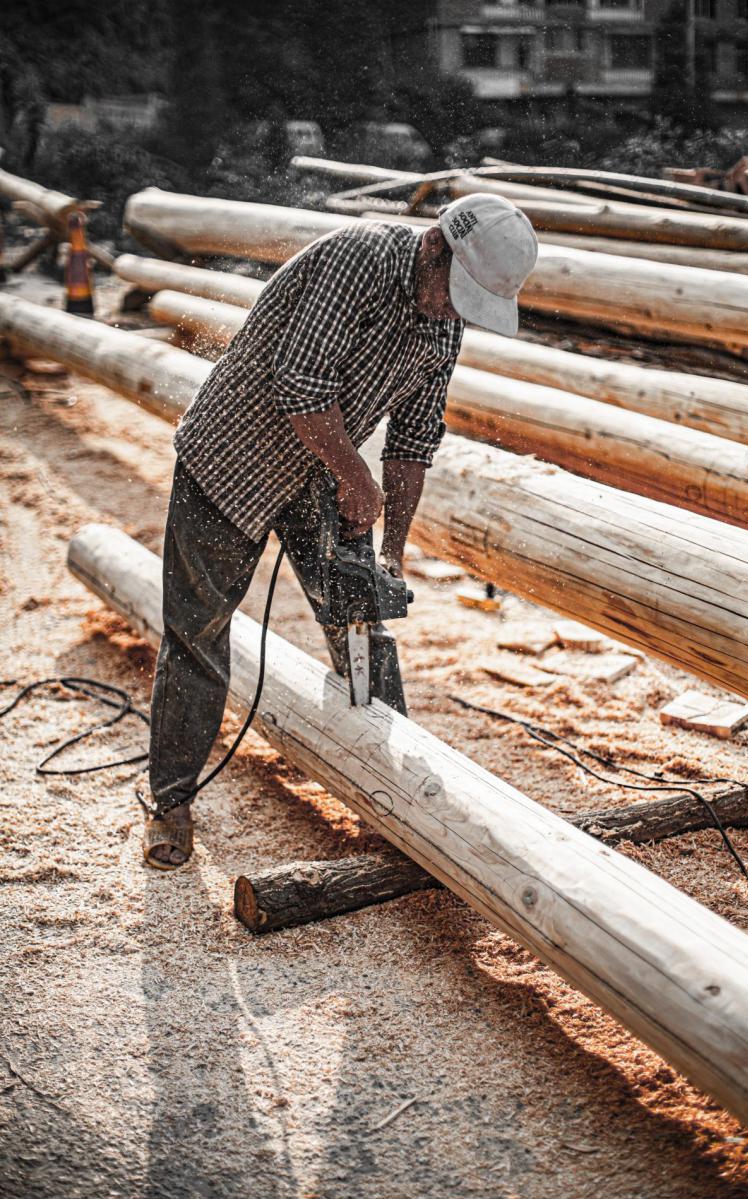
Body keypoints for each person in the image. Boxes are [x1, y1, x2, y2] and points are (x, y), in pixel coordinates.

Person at [143, 192, 539, 868]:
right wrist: (359, 480)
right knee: (200, 632)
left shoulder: (444, 321)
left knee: (361, 617)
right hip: (233, 457)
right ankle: (171, 801)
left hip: (325, 464)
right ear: (436, 248)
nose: (453, 312)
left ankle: (396, 799)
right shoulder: (359, 258)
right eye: (457, 295)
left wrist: (390, 553)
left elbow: (416, 438)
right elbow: (300, 382)